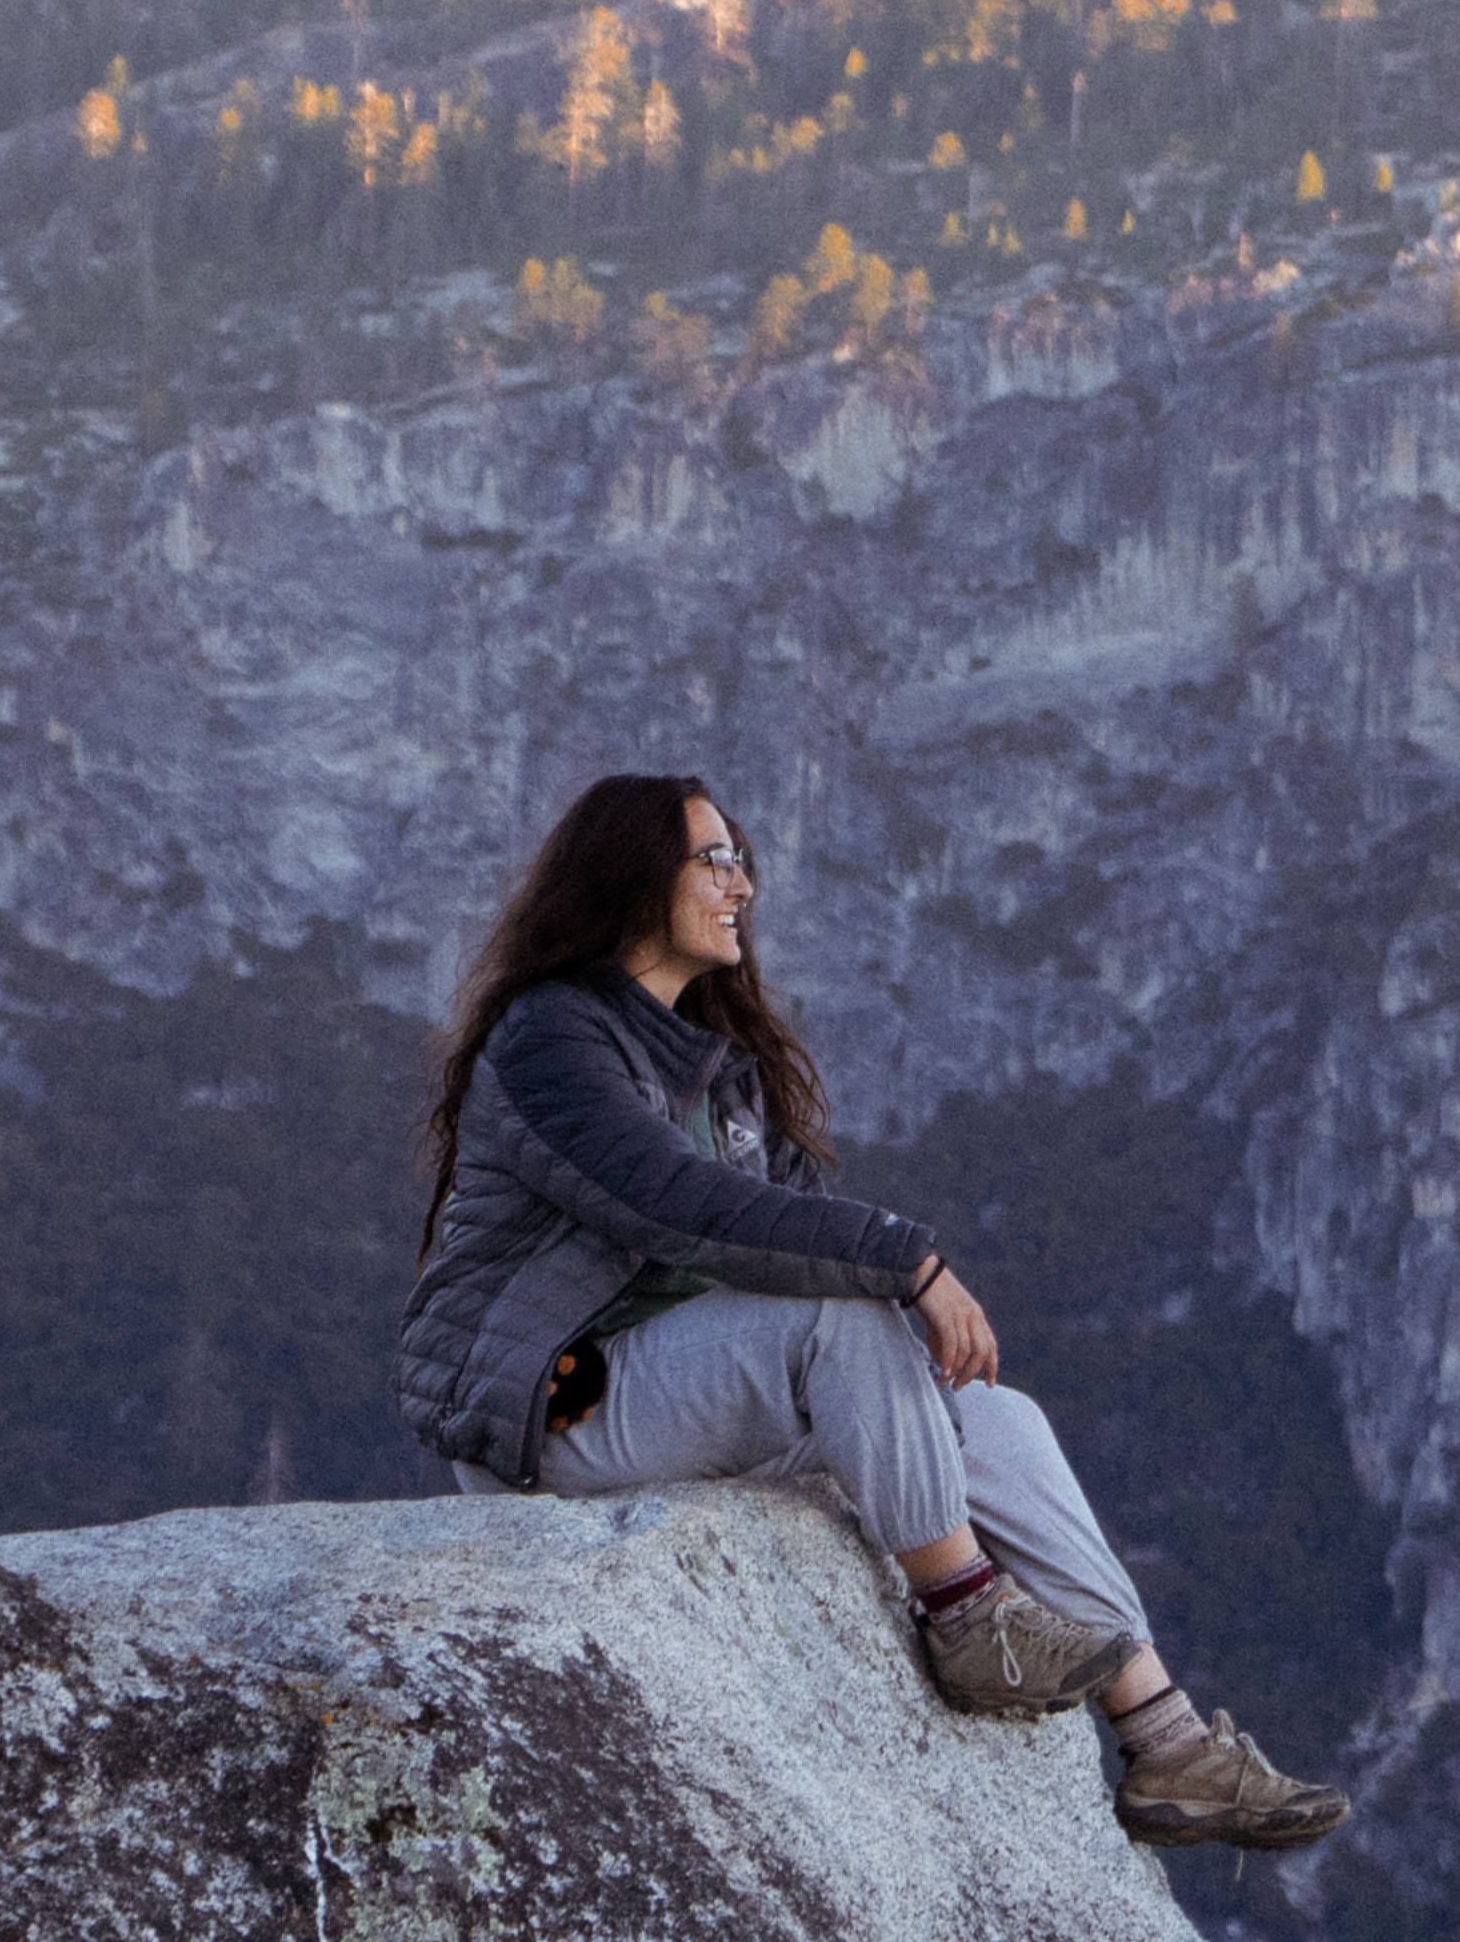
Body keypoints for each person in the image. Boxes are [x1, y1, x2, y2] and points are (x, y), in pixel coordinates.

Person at [397, 769, 1345, 1854]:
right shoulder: (551, 1038)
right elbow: (673, 1204)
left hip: (681, 1394)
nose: (742, 884)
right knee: (842, 1312)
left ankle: (1165, 1739)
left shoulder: (715, 1065)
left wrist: (895, 1288)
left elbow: (793, 1222)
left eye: (741, 860)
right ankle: (968, 1616)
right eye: (714, 860)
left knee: (996, 1418)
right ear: (632, 877)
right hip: (561, 1409)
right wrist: (911, 1262)